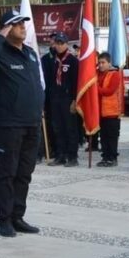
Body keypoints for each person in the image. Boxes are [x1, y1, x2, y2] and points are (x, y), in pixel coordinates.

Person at [0, 9, 44, 237]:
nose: (22, 27)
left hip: (32, 122)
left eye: (23, 23)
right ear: (7, 28)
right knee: (7, 173)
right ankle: (4, 219)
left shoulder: (30, 53)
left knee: (25, 172)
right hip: (9, 124)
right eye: (16, 24)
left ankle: (18, 216)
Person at [45, 32, 79, 167]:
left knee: (70, 128)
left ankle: (72, 156)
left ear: (67, 44)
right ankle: (60, 155)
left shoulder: (73, 61)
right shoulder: (53, 60)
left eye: (61, 43)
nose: (58, 46)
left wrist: (75, 100)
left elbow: (77, 82)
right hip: (55, 98)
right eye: (57, 43)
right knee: (57, 128)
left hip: (68, 99)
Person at [97, 52, 122, 167]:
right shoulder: (96, 74)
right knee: (103, 136)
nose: (101, 65)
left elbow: (109, 91)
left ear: (109, 63)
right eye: (99, 63)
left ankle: (112, 157)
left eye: (103, 63)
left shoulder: (115, 74)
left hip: (111, 111)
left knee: (112, 136)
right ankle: (105, 156)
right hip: (100, 112)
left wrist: (95, 89)